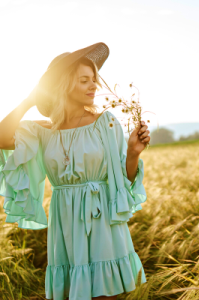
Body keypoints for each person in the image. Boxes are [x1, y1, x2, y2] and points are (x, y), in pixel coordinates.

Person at [0, 43, 150, 300]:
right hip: (65, 221)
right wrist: (29, 100)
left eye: (94, 79)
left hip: (102, 218)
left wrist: (133, 153)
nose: (94, 86)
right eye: (84, 80)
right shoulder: (42, 131)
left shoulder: (105, 123)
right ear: (64, 84)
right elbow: (2, 138)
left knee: (105, 295)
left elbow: (121, 180)